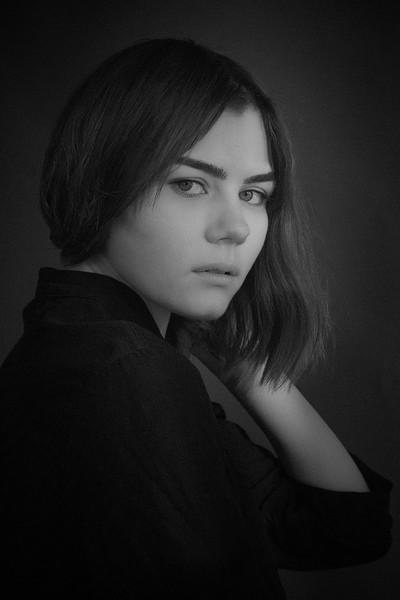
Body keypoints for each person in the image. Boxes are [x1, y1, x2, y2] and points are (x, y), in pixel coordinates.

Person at [0, 38, 393, 599]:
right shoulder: (126, 370)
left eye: (254, 194)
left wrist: (247, 370)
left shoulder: (96, 352)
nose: (236, 227)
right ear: (100, 181)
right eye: (189, 183)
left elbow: (342, 529)